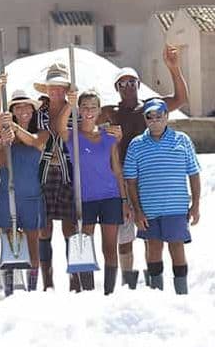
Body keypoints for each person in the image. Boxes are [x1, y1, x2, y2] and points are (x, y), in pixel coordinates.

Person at [97, 43, 188, 289]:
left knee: (151, 235)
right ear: (116, 88)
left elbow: (180, 99)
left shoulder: (150, 107)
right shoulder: (110, 111)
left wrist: (174, 68)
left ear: (138, 85)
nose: (128, 87)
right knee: (125, 235)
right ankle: (129, 282)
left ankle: (153, 281)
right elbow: (82, 120)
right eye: (122, 84)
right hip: (120, 181)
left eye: (132, 82)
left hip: (148, 182)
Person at [123, 98, 201, 295]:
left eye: (159, 115)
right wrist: (137, 211)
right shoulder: (136, 145)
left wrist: (196, 205)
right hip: (148, 210)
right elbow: (130, 181)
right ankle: (157, 296)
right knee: (154, 250)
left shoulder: (182, 140)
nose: (155, 119)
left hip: (176, 208)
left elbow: (194, 174)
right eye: (150, 116)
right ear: (145, 119)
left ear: (167, 116)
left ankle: (181, 295)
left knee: (177, 250)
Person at [57, 89, 130, 295]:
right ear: (79, 110)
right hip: (85, 199)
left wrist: (124, 199)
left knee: (109, 247)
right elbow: (59, 126)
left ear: (99, 110)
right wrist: (68, 105)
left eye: (93, 107)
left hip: (111, 197)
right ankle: (88, 291)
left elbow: (116, 169)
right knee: (86, 245)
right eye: (85, 107)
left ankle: (109, 293)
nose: (89, 111)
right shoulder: (73, 136)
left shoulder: (109, 136)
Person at [0, 76, 48, 294]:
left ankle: (33, 288)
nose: (24, 111)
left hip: (32, 196)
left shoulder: (40, 132)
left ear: (33, 111)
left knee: (33, 243)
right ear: (13, 110)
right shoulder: (7, 134)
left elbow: (35, 142)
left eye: (27, 107)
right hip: (8, 194)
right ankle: (9, 289)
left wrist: (13, 126)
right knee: (8, 243)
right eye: (18, 107)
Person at [30, 63, 78, 291]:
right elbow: (38, 139)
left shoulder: (76, 110)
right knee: (44, 227)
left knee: (70, 226)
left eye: (61, 88)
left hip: (69, 171)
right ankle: (47, 282)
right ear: (47, 90)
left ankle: (74, 279)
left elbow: (69, 136)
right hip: (45, 171)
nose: (56, 92)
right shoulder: (39, 113)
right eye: (52, 88)